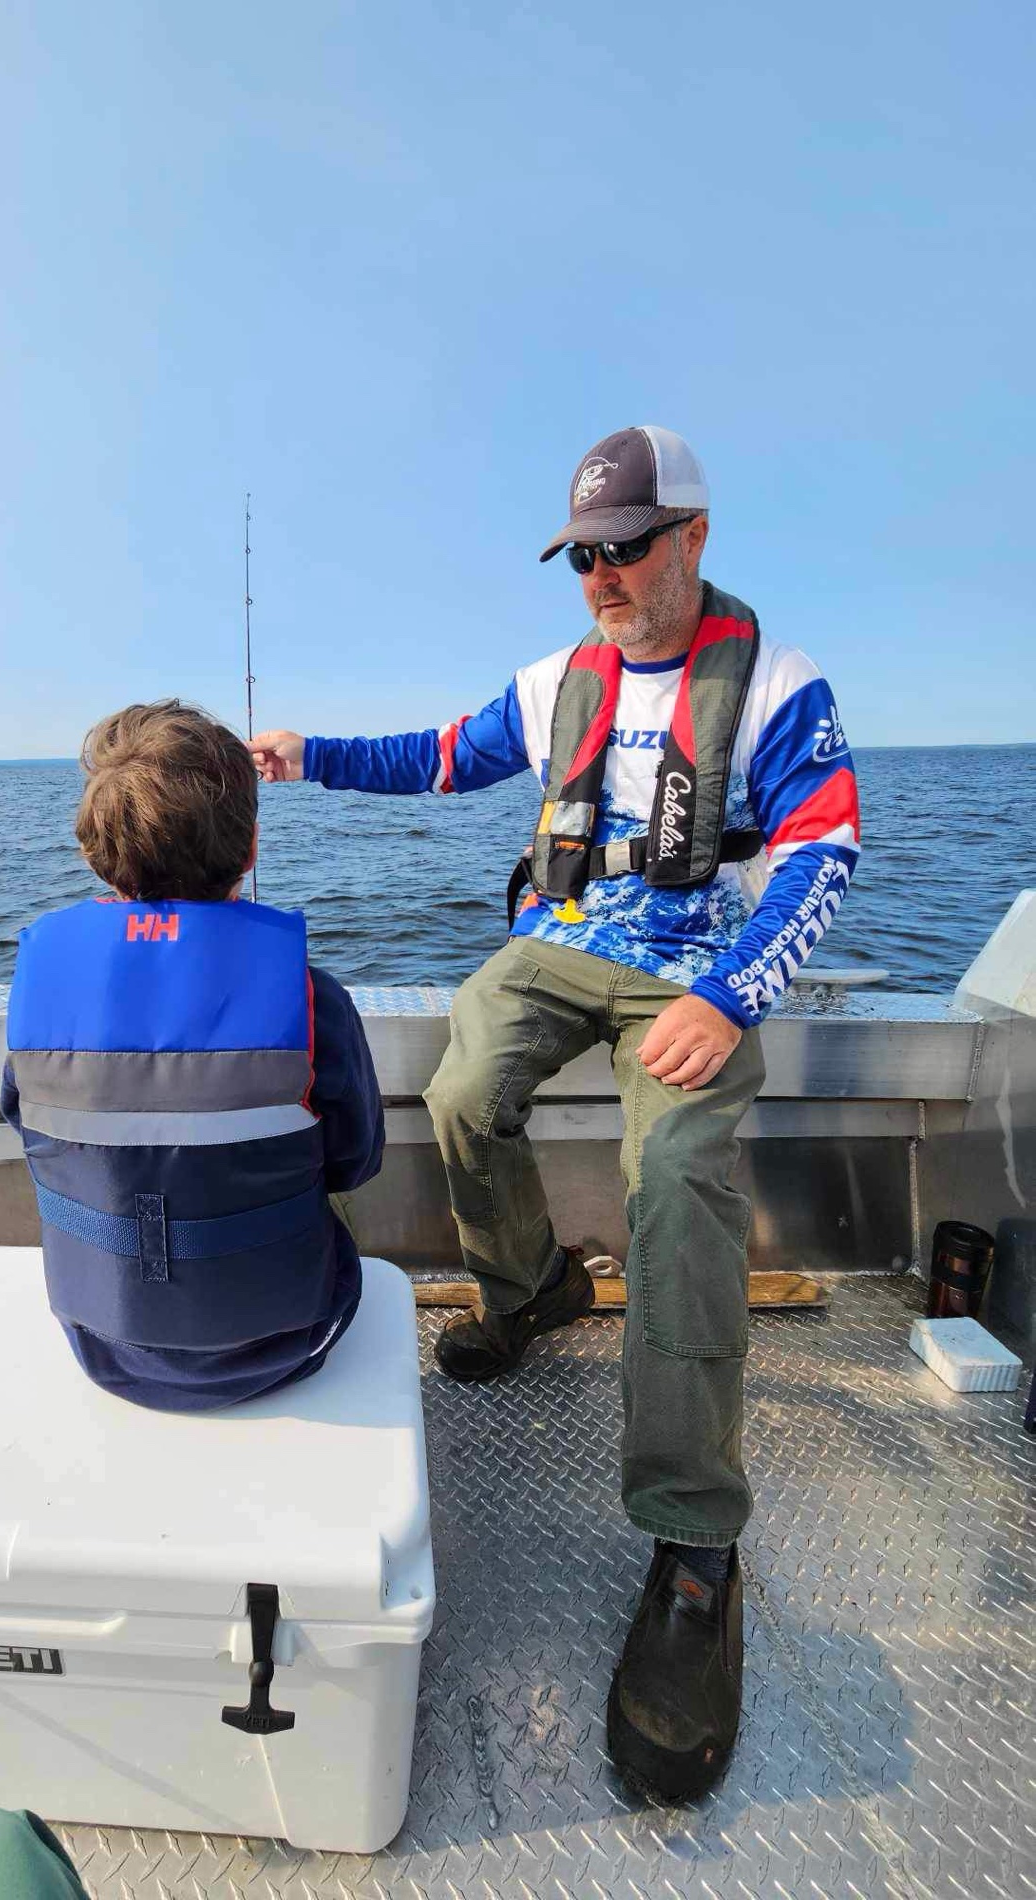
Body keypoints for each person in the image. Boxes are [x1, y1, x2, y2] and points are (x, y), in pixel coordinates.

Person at [250, 426, 860, 1801]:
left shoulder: (779, 684)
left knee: (679, 1174)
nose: (598, 573)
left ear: (692, 537)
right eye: (581, 553)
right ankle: (527, 1289)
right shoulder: (558, 680)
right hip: (562, 940)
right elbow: (440, 757)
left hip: (697, 972)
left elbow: (824, 851)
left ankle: (695, 1536)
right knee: (460, 1087)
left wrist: (740, 993)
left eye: (623, 547)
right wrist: (306, 755)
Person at [2, 699, 384, 1412]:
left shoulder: (43, 990)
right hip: (292, 1343)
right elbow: (354, 1162)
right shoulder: (312, 1000)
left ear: (94, 854)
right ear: (250, 850)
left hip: (100, 1347)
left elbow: (27, 1130)